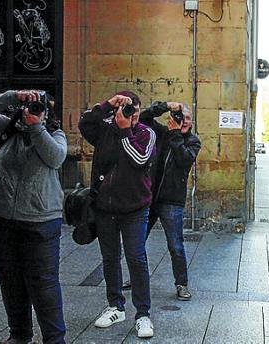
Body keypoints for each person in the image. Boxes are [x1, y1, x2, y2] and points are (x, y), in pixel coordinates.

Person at [0, 90, 67, 344]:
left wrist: (36, 127)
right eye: (33, 105)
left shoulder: (55, 136)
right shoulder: (6, 131)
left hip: (40, 223)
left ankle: (54, 339)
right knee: (10, 279)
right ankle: (19, 335)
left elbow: (56, 158)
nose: (37, 109)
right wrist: (11, 96)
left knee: (44, 285)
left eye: (42, 107)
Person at [78, 91, 156, 338]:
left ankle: (143, 314)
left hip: (135, 209)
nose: (130, 114)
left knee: (136, 258)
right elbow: (84, 124)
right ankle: (115, 306)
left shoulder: (146, 133)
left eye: (134, 109)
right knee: (110, 258)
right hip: (105, 208)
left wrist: (125, 131)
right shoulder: (105, 129)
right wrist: (107, 104)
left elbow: (140, 159)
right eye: (125, 109)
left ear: (140, 111)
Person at [135, 101, 201, 301]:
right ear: (172, 119)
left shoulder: (192, 141)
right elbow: (144, 118)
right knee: (137, 242)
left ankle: (181, 284)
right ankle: (136, 278)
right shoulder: (162, 132)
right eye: (180, 117)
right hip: (150, 196)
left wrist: (175, 134)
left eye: (187, 118)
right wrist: (164, 106)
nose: (184, 121)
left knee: (175, 245)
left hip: (172, 201)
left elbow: (183, 160)